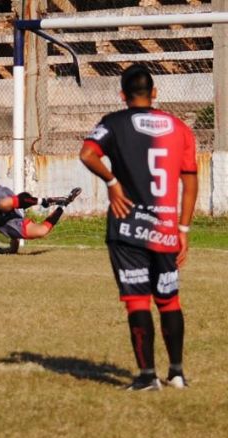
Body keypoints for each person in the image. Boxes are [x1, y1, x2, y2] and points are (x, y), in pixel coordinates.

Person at [80, 64, 197, 391]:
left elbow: (87, 153)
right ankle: (176, 374)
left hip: (128, 226)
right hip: (166, 229)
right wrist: (183, 229)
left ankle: (147, 377)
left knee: (137, 301)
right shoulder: (179, 128)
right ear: (154, 93)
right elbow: (190, 182)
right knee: (169, 300)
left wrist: (113, 182)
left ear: (122, 95)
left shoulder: (113, 123)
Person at [0, 155, 81, 253]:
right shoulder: (3, 193)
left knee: (42, 231)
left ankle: (63, 204)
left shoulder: (16, 215)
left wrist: (2, 251)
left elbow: (14, 245)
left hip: (12, 222)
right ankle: (43, 201)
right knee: (3, 203)